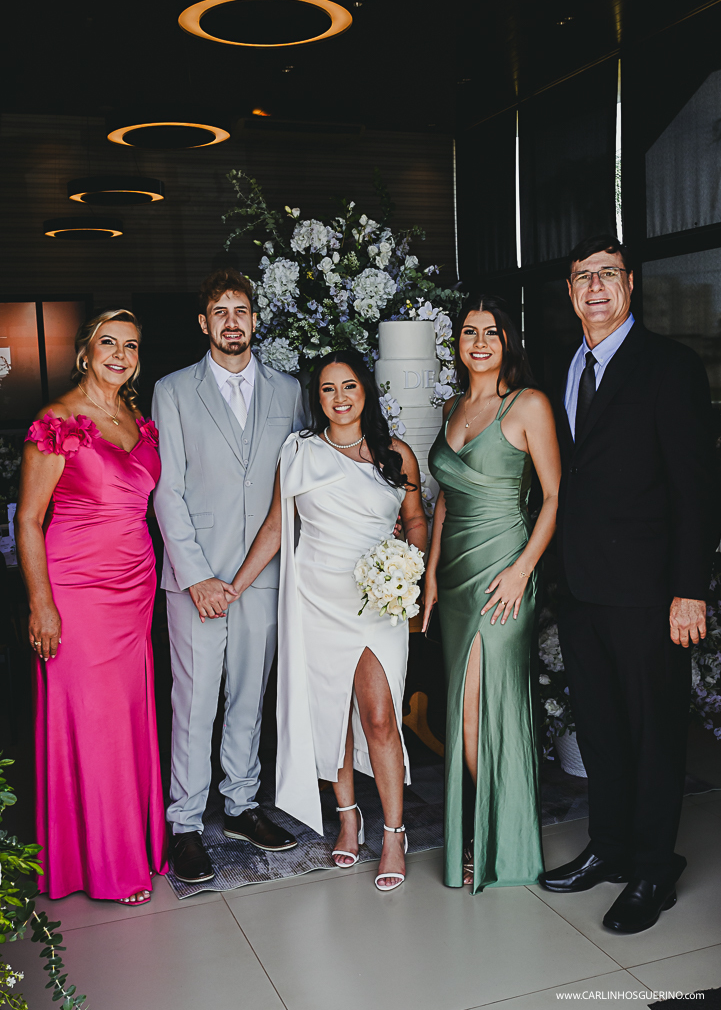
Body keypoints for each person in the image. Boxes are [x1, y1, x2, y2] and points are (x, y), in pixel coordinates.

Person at [539, 234, 717, 933]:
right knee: (602, 731)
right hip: (581, 589)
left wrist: (689, 589)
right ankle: (609, 848)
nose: (595, 287)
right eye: (583, 276)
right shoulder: (561, 367)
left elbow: (695, 486)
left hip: (650, 591)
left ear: (630, 285)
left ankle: (652, 870)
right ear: (569, 292)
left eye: (607, 275)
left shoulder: (668, 366)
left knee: (653, 735)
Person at [231, 350, 427, 890]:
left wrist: (407, 570)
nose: (339, 398)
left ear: (366, 391)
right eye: (327, 389)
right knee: (332, 716)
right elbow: (277, 526)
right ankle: (348, 818)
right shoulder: (299, 452)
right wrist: (236, 587)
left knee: (380, 716)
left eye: (349, 386)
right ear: (316, 398)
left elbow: (415, 520)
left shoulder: (396, 454)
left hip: (378, 604)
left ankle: (394, 832)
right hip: (317, 600)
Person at [152, 269, 305, 884]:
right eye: (221, 312)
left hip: (262, 574)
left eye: (241, 310)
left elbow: (297, 483)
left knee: (248, 696)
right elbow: (167, 491)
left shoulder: (289, 390)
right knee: (193, 704)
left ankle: (241, 805)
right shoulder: (172, 390)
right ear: (204, 323)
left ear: (255, 319)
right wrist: (196, 576)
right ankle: (186, 823)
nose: (232, 321)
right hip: (198, 578)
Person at [16, 309, 167, 905]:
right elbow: (29, 520)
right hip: (77, 589)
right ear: (86, 351)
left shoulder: (136, 419)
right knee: (94, 723)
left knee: (125, 719)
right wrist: (41, 604)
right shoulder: (56, 421)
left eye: (131, 345)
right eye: (109, 343)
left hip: (134, 590)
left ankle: (129, 845)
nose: (120, 354)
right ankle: (106, 865)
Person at [424, 296, 560, 893]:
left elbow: (554, 497)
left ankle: (503, 838)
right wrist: (431, 576)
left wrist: (523, 569)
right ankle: (487, 829)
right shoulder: (452, 407)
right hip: (454, 580)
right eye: (468, 332)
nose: (479, 342)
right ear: (457, 343)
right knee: (459, 710)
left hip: (504, 573)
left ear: (508, 342)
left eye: (491, 332)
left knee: (480, 709)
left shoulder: (528, 404)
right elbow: (445, 500)